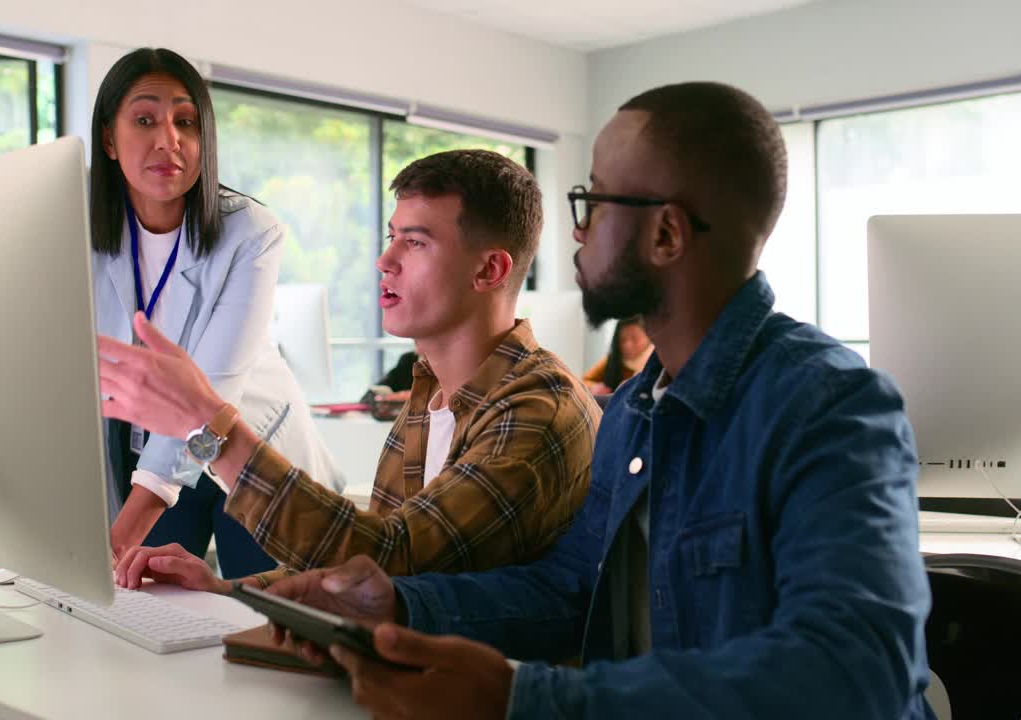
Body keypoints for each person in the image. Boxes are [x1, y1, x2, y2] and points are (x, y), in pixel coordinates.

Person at [263, 82, 935, 720]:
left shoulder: (827, 404)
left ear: (666, 235)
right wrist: (399, 605)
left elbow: (856, 674)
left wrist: (526, 701)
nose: (578, 232)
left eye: (596, 203)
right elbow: (571, 590)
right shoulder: (637, 409)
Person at [100, 149, 601, 587]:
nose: (384, 260)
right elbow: (363, 573)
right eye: (391, 237)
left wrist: (208, 423)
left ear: (489, 270)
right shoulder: (429, 395)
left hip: (471, 686)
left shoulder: (537, 411)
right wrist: (225, 591)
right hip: (394, 667)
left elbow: (393, 563)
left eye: (417, 242)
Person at [90, 47, 340, 580]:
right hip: (149, 457)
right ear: (109, 140)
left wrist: (116, 538)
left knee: (263, 625)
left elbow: (212, 397)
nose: (169, 140)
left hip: (244, 448)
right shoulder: (84, 236)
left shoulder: (250, 232)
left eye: (186, 121)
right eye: (144, 119)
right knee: (146, 612)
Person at [583, 315, 651, 394]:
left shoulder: (655, 362)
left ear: (649, 337)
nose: (627, 345)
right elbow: (583, 381)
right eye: (623, 339)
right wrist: (595, 387)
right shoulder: (612, 360)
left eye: (634, 338)